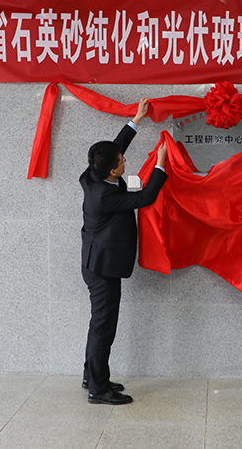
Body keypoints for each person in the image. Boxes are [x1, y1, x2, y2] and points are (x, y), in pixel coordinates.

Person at [80, 97, 168, 405]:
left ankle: (92, 377)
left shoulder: (93, 174)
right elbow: (145, 197)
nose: (125, 161)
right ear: (113, 171)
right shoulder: (106, 196)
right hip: (102, 268)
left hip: (96, 261)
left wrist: (136, 120)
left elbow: (114, 149)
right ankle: (98, 390)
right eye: (122, 161)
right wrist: (161, 163)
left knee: (99, 326)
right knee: (103, 329)